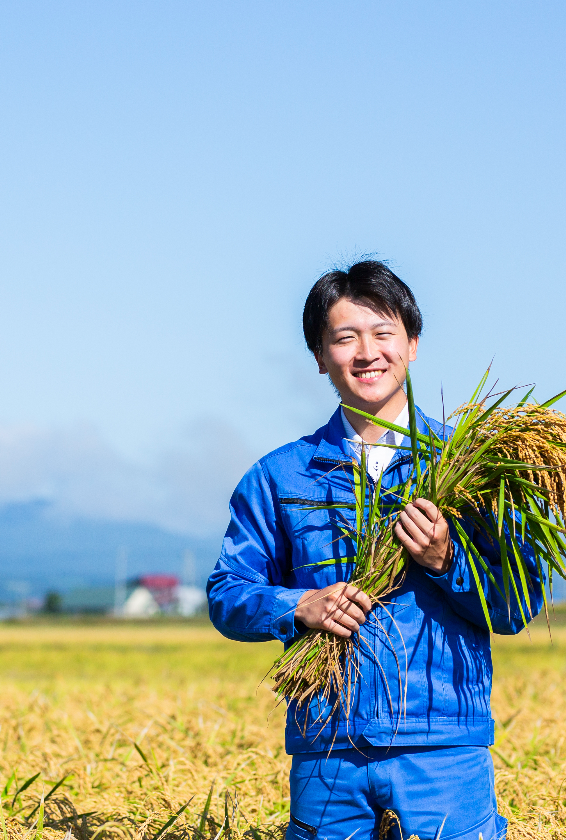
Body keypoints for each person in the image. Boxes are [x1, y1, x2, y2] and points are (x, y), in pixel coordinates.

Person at [206, 260, 545, 840]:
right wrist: (299, 606)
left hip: (443, 744)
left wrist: (447, 561)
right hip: (328, 743)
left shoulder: (471, 469)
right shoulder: (281, 476)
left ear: (412, 345)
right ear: (320, 356)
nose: (367, 353)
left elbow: (517, 604)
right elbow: (226, 593)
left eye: (384, 333)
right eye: (345, 338)